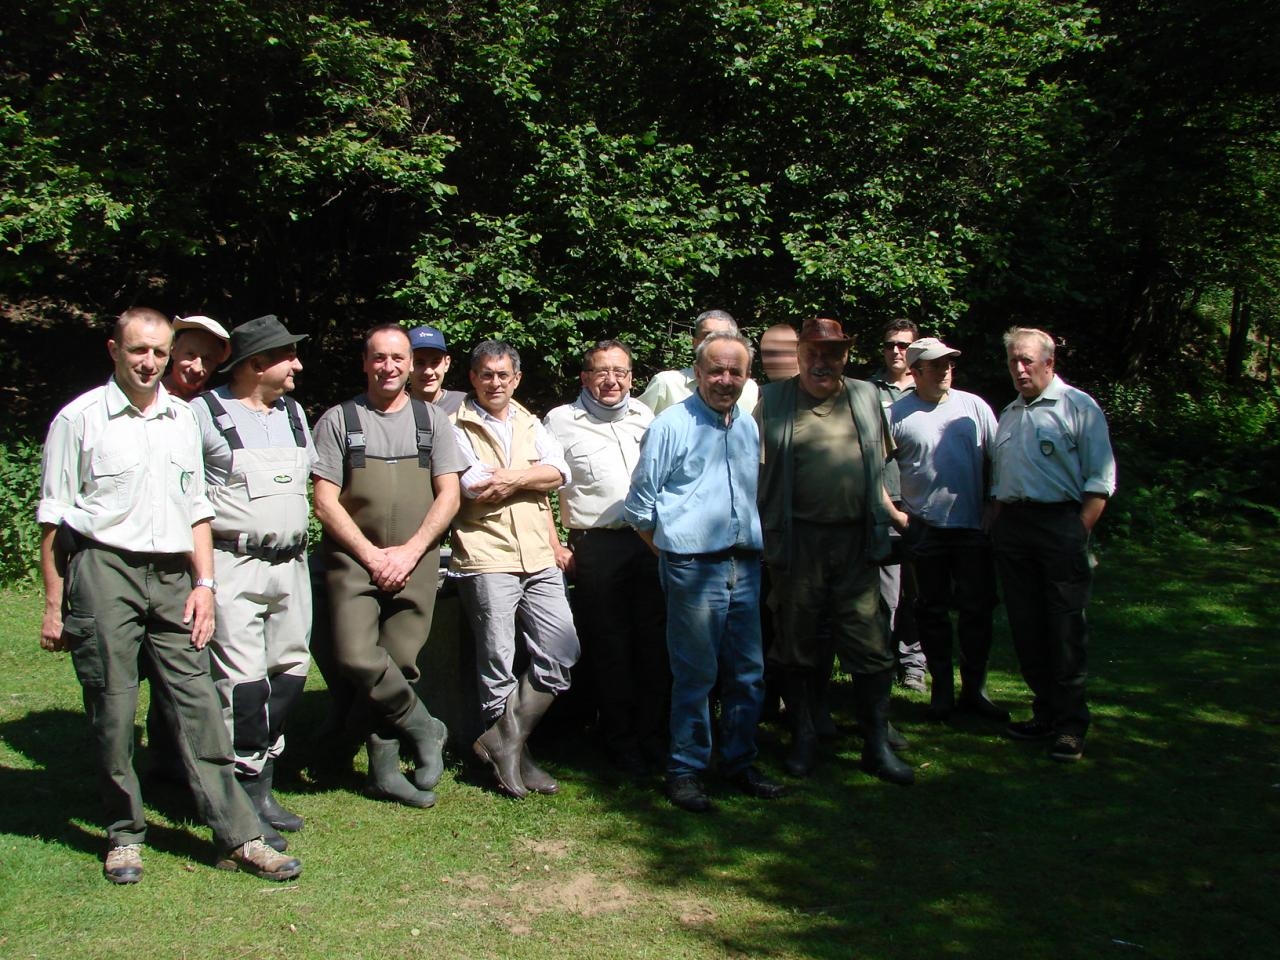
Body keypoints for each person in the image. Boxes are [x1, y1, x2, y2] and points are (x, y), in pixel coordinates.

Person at [37, 307, 301, 884]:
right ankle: (124, 835)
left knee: (199, 705)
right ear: (114, 350)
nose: (150, 362)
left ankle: (239, 836)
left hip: (176, 575)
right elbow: (54, 520)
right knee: (113, 704)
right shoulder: (80, 419)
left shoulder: (186, 418)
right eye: (139, 351)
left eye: (158, 352)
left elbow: (198, 511)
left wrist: (205, 585)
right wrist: (55, 605)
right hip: (105, 570)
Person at [625, 329, 785, 812]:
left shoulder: (746, 426)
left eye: (735, 371)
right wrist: (673, 552)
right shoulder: (670, 425)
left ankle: (739, 762)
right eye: (716, 369)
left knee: (749, 673)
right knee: (695, 675)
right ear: (696, 373)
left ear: (747, 376)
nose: (725, 379)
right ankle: (686, 771)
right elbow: (639, 507)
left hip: (745, 564)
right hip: (692, 569)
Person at [312, 324, 465, 806]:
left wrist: (411, 550)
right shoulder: (339, 419)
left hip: (415, 560)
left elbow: (450, 493)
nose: (390, 367)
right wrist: (372, 555)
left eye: (398, 358)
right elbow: (324, 501)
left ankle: (382, 772)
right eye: (379, 357)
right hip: (355, 561)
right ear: (365, 362)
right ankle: (424, 726)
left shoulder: (433, 421)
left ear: (411, 364)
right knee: (357, 658)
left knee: (399, 662)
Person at [757, 317, 914, 785]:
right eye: (814, 352)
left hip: (856, 543)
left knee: (870, 646)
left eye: (834, 352)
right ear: (800, 353)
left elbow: (878, 469)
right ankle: (803, 736)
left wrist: (893, 517)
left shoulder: (866, 397)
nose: (823, 361)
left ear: (847, 355)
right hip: (798, 542)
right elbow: (750, 471)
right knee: (796, 643)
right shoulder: (772, 400)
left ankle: (876, 743)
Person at [192, 314, 315, 849]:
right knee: (242, 683)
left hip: (291, 565)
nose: (298, 365)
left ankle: (265, 783)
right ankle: (241, 794)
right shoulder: (204, 413)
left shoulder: (293, 412)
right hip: (233, 564)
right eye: (289, 356)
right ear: (256, 364)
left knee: (290, 669)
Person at [450, 341, 581, 798]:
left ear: (516, 378)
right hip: (487, 555)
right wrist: (530, 475)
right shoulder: (456, 426)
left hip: (538, 555)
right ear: (473, 378)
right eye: (486, 374)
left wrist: (511, 477)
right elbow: (471, 485)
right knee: (498, 663)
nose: (495, 383)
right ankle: (515, 758)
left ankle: (501, 742)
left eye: (503, 375)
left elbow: (560, 472)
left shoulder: (530, 422)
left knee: (561, 651)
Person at [543, 339, 668, 776]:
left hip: (650, 543)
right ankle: (618, 741)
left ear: (632, 378)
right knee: (610, 646)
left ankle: (653, 736)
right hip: (596, 546)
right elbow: (543, 490)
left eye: (620, 371)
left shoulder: (647, 418)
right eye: (601, 371)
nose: (611, 380)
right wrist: (557, 544)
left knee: (653, 645)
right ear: (584, 377)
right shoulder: (560, 421)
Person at [991, 327, 1116, 763]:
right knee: (1027, 627)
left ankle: (1071, 724)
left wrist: (1077, 531)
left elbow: (1100, 481)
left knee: (1064, 627)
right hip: (1015, 527)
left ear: (1049, 362)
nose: (1019, 369)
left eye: (1027, 360)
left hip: (1061, 523)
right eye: (1013, 361)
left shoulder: (1078, 407)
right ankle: (1044, 711)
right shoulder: (1009, 413)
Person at [889, 337, 1007, 724]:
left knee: (977, 611)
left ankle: (975, 690)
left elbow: (1001, 458)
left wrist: (995, 504)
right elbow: (872, 467)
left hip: (972, 527)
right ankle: (941, 691)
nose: (944, 371)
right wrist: (894, 514)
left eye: (948, 364)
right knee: (932, 613)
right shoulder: (897, 414)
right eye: (935, 365)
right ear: (915, 371)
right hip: (924, 530)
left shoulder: (973, 406)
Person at [870, 319, 927, 693]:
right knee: (886, 594)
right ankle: (883, 663)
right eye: (890, 344)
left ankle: (915, 665)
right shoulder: (867, 392)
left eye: (904, 345)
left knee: (920, 593)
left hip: (926, 507)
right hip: (885, 503)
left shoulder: (931, 389)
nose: (896, 351)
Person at [638, 309, 760, 416]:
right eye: (708, 336)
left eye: (723, 336)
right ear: (694, 343)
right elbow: (637, 427)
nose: (714, 342)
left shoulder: (749, 388)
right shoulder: (666, 384)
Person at [161, 315, 232, 401]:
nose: (196, 369)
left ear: (215, 364)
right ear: (173, 350)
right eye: (191, 355)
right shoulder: (147, 394)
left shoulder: (215, 405)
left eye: (206, 359)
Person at [408, 324, 466, 415]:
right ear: (406, 365)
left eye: (435, 362)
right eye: (419, 363)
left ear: (447, 363)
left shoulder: (465, 404)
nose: (428, 372)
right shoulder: (394, 408)